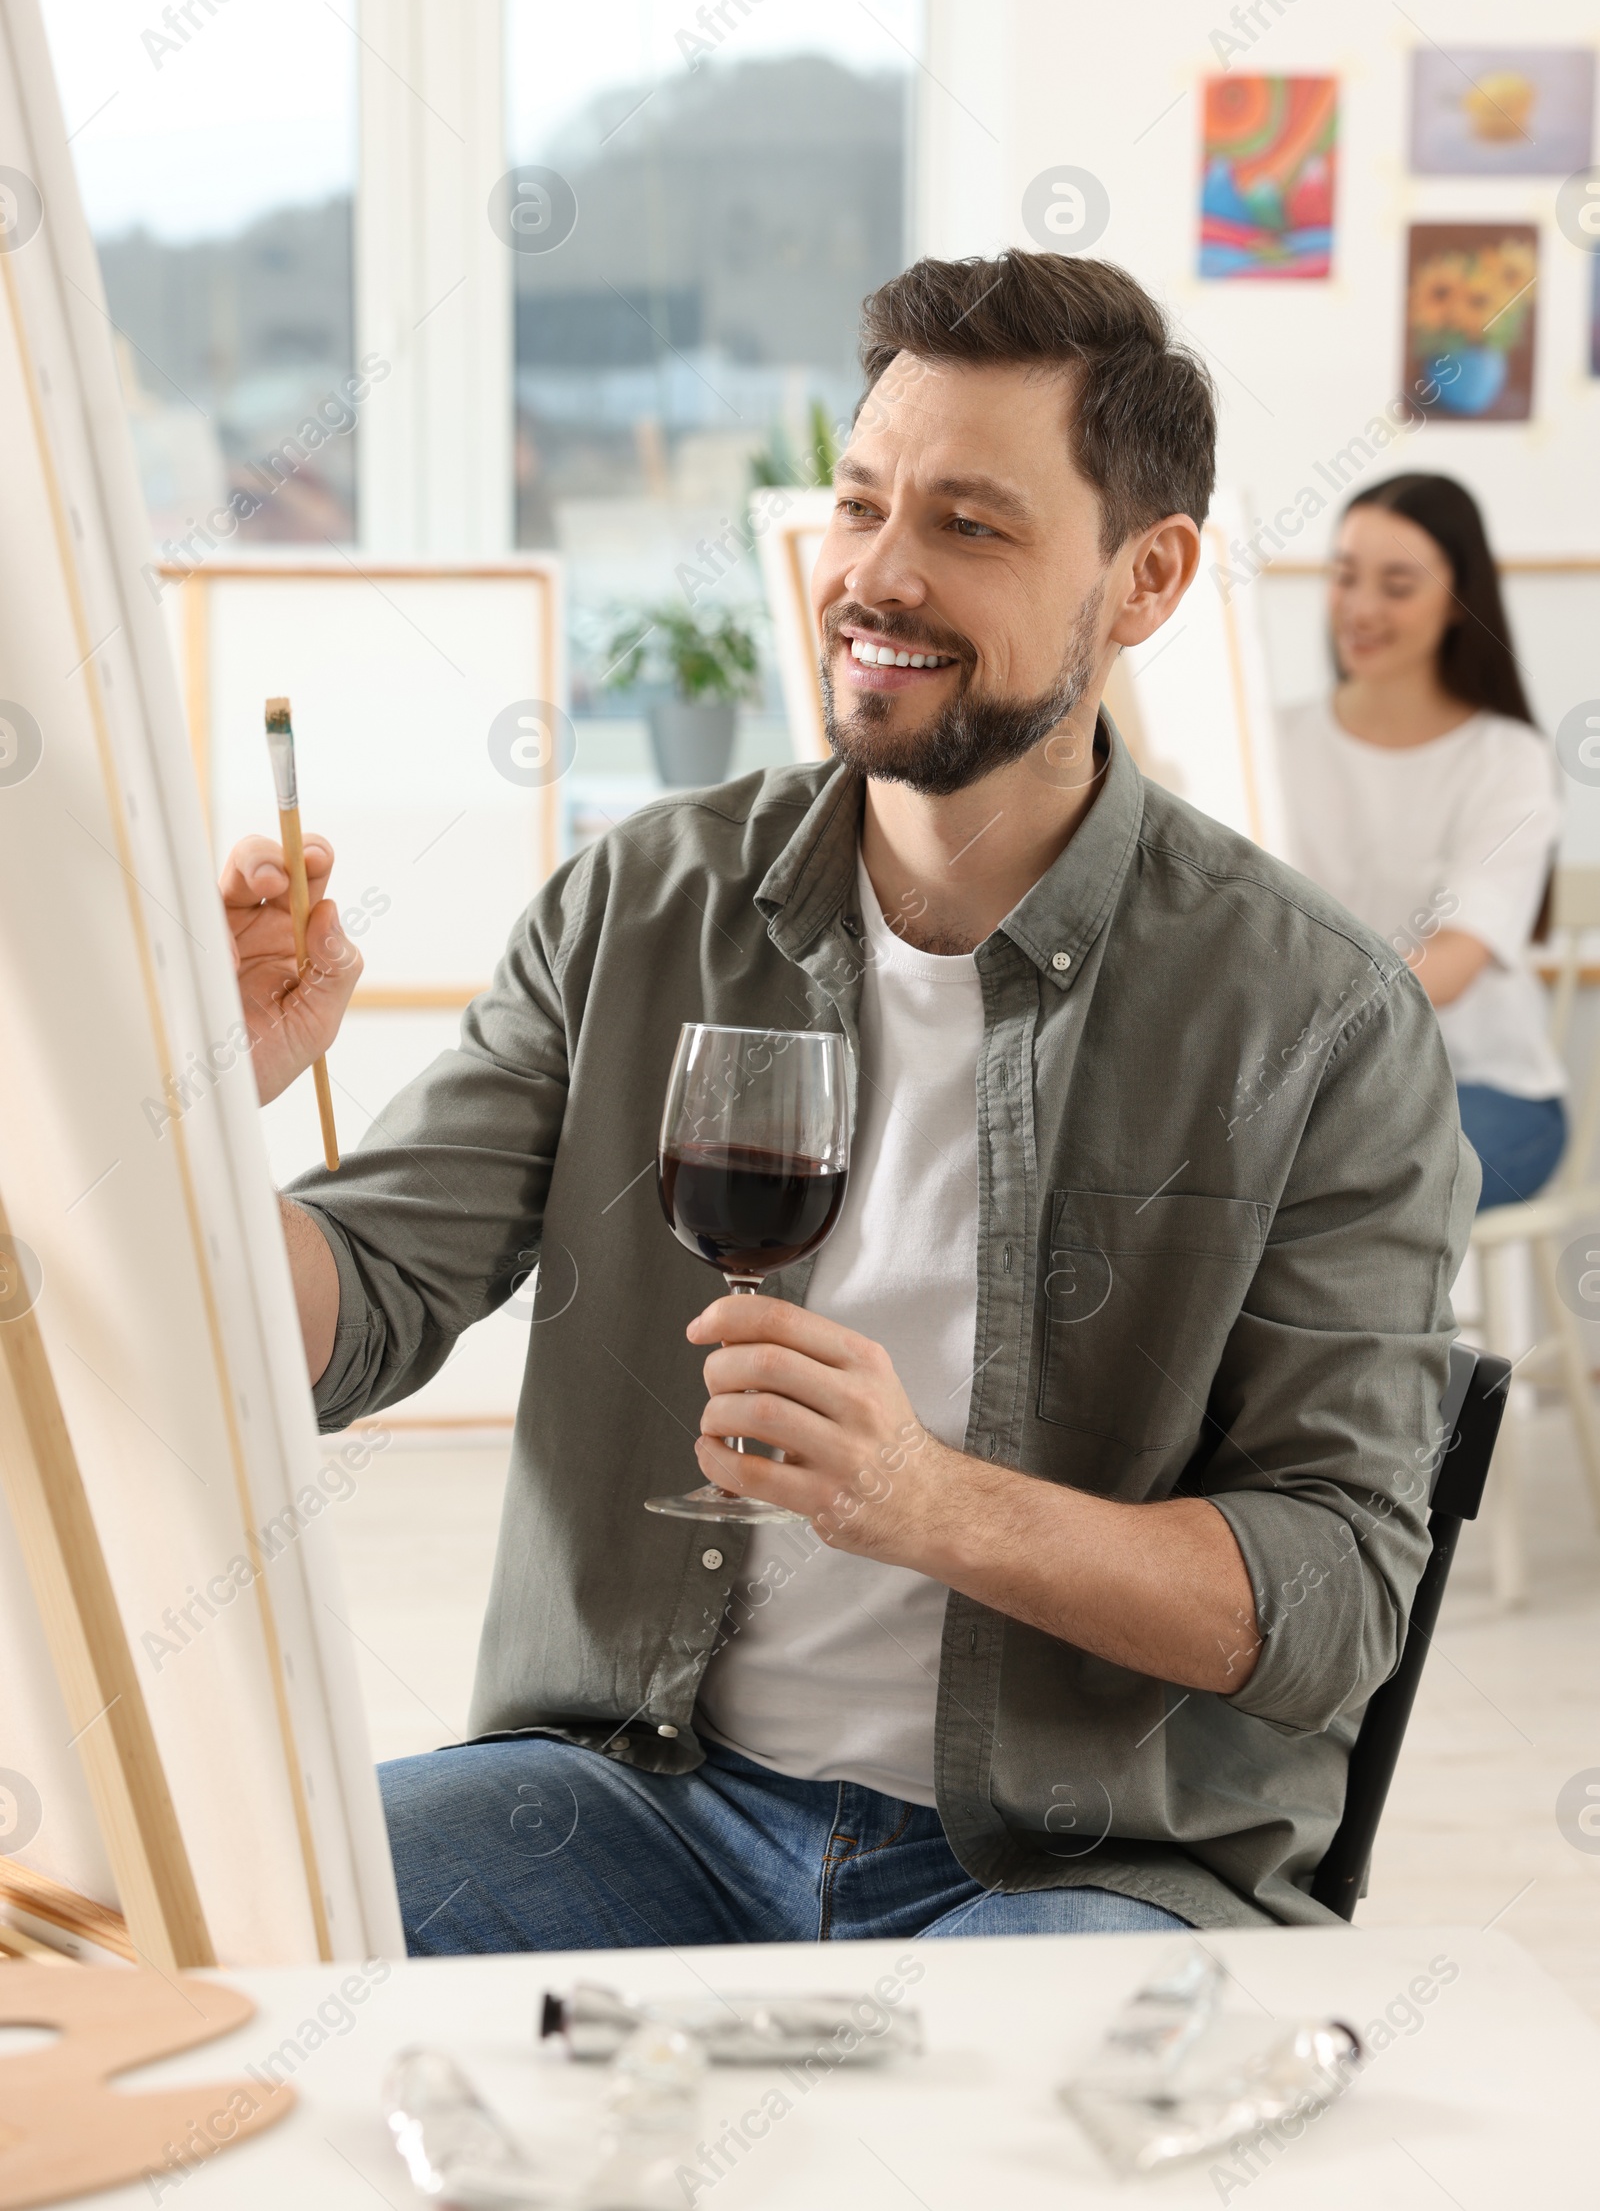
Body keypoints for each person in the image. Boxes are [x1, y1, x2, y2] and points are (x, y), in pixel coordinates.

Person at [222, 251, 1474, 1952]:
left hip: (1074, 1860)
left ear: (1149, 575)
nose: (872, 575)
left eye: (969, 523)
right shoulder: (638, 905)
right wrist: (204, 1096)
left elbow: (1329, 1595)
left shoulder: (1319, 1016)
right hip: (633, 1793)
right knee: (271, 1930)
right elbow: (353, 1304)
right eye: (864, 501)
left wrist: (927, 1499)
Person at [1278, 474, 1565, 1211]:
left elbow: (1453, 964)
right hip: (1314, 1087)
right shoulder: (1275, 742)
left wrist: (1306, 1021)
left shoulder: (1508, 758)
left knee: (1344, 1184)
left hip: (1486, 1087)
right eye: (1345, 576)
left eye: (1398, 585)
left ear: (1459, 601)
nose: (1362, 608)